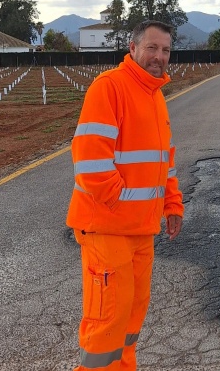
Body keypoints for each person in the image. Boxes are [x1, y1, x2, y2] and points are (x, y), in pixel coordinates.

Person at [66, 20, 184, 371]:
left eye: (165, 50)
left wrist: (171, 203)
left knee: (131, 320)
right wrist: (121, 204)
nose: (159, 57)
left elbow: (166, 160)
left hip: (140, 230)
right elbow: (90, 162)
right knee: (107, 323)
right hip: (107, 228)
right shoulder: (110, 88)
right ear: (132, 49)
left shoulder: (155, 96)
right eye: (152, 48)